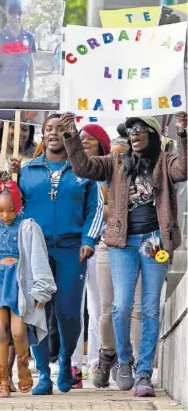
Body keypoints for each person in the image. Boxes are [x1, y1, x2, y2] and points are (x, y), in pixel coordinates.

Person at [62, 112, 187, 397]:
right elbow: (83, 167)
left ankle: (144, 372)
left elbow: (184, 170)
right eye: (130, 130)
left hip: (155, 242)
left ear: (153, 134)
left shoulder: (165, 162)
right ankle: (124, 361)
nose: (134, 134)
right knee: (120, 306)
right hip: (122, 242)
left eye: (140, 129)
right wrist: (71, 135)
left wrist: (182, 134)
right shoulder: (116, 161)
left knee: (150, 308)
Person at [9, 113, 103, 395]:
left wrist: (89, 239)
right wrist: (9, 181)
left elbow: (95, 208)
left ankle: (65, 362)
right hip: (36, 250)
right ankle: (43, 375)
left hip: (73, 249)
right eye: (48, 129)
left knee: (68, 312)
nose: (53, 133)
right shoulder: (26, 170)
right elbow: (11, 208)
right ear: (42, 135)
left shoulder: (84, 169)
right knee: (38, 311)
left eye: (60, 129)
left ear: (68, 135)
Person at [0, 176, 56, 398]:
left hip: (19, 283)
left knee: (19, 332)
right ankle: (2, 378)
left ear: (18, 206)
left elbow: (38, 257)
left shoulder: (28, 227)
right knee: (1, 331)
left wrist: (42, 288)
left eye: (10, 210)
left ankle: (23, 365)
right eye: (0, 210)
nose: (5, 215)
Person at [92, 127, 142, 389]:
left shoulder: (141, 177)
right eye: (113, 156)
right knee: (108, 306)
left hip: (137, 244)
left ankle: (131, 361)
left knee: (135, 308)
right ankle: (107, 353)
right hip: (106, 244)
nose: (117, 161)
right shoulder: (101, 180)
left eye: (122, 156)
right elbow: (103, 209)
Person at [70, 124, 111, 388]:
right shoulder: (70, 172)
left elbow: (112, 209)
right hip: (73, 245)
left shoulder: (107, 173)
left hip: (101, 246)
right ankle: (72, 365)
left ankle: (97, 360)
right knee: (73, 307)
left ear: (100, 145)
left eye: (90, 140)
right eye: (80, 139)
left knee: (98, 307)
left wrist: (95, 211)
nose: (84, 142)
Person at [0, 0, 36, 103]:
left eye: (19, 13)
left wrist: (32, 87)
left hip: (19, 90)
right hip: (1, 90)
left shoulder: (29, 37)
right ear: (6, 13)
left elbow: (31, 63)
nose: (16, 16)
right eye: (12, 12)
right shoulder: (0, 38)